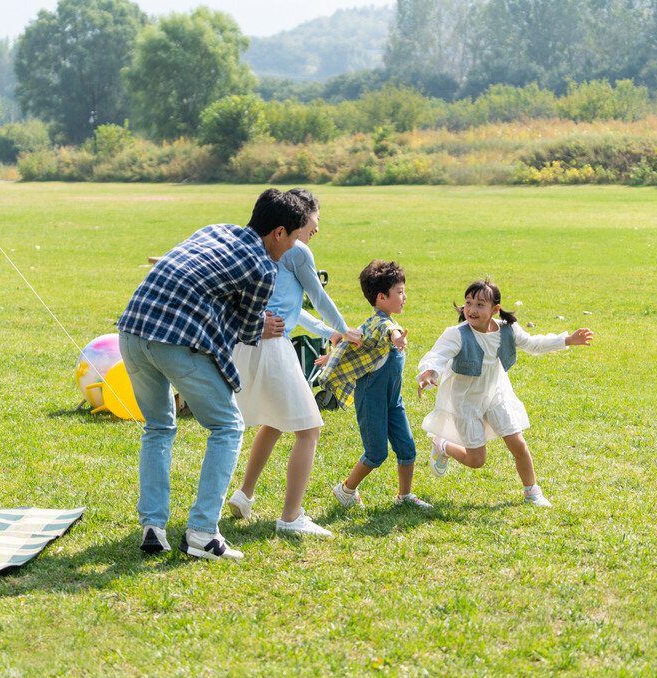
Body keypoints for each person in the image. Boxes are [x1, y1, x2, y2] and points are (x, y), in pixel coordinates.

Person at [117, 188, 309, 560]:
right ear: (279, 232)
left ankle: (153, 526)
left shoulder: (214, 228)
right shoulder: (263, 267)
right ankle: (203, 533)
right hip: (173, 340)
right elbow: (248, 328)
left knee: (158, 427)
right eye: (297, 236)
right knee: (228, 426)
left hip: (130, 332)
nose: (296, 246)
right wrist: (261, 326)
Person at [227, 188, 362, 537]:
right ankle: (291, 517)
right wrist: (345, 329)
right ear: (301, 218)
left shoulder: (268, 248)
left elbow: (294, 308)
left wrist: (330, 330)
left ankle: (244, 495)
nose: (316, 228)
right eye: (314, 221)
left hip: (249, 343)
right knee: (309, 428)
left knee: (273, 422)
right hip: (273, 346)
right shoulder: (298, 252)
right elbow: (318, 296)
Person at [417, 280, 594, 507]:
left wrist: (567, 339)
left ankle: (532, 492)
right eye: (468, 303)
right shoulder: (456, 334)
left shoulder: (507, 331)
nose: (472, 309)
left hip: (495, 394)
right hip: (465, 401)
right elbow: (437, 356)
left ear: (495, 309)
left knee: (517, 442)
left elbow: (533, 344)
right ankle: (442, 445)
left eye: (480, 304)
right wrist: (428, 374)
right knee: (476, 460)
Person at [320, 260, 433, 510]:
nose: (405, 296)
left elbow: (353, 338)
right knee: (376, 453)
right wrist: (397, 338)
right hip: (371, 398)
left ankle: (404, 497)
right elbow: (389, 331)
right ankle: (346, 489)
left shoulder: (371, 323)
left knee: (407, 447)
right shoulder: (383, 324)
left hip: (393, 401)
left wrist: (334, 351)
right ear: (381, 297)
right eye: (400, 292)